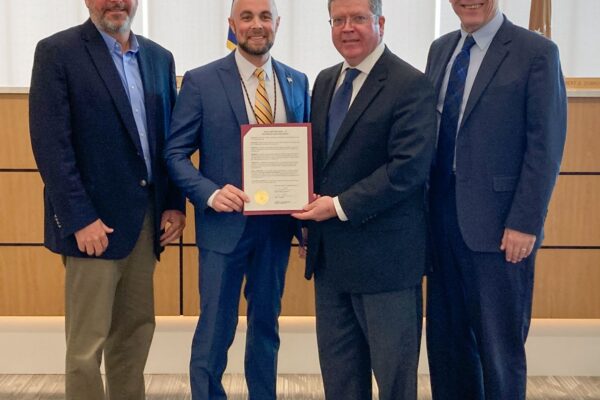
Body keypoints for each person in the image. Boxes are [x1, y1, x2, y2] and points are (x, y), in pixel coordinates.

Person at [28, 0, 186, 399]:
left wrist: (172, 203)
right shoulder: (58, 53)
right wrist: (79, 218)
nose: (116, 2)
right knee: (86, 347)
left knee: (134, 337)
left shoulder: (158, 58)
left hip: (145, 223)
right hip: (91, 225)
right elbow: (51, 146)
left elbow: (167, 141)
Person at [163, 0, 310, 398]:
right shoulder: (201, 81)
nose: (256, 25)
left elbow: (305, 160)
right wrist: (209, 193)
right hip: (223, 228)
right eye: (247, 17)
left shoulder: (298, 81)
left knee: (266, 326)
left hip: (276, 229)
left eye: (265, 17)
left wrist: (306, 226)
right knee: (215, 328)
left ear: (277, 24)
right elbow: (174, 154)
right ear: (232, 24)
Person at [292, 0, 436, 398]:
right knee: (340, 381)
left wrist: (337, 206)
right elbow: (320, 163)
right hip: (331, 263)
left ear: (381, 23)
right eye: (338, 20)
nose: (347, 28)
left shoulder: (411, 83)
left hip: (386, 265)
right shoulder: (324, 81)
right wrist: (305, 218)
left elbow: (407, 169)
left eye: (358, 18)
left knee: (393, 382)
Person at [424, 1, 567, 399]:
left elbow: (546, 147)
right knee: (447, 345)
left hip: (501, 228)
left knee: (498, 349)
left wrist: (526, 222)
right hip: (440, 221)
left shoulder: (535, 52)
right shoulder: (441, 49)